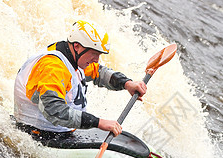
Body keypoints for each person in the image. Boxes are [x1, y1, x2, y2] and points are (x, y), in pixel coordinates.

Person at [14, 20, 146, 141]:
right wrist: (98, 123)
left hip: (60, 132)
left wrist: (127, 84)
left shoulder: (74, 57)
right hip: (37, 135)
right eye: (94, 54)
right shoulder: (53, 67)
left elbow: (99, 72)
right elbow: (54, 110)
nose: (96, 59)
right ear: (77, 46)